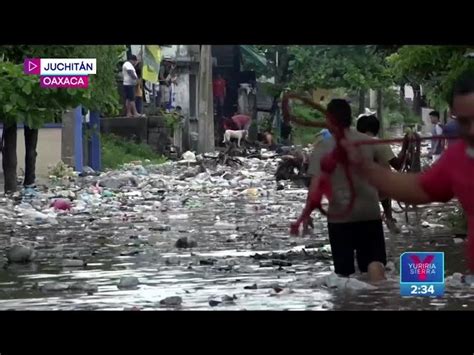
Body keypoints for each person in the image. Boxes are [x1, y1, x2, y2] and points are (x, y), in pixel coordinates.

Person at [341, 73, 474, 273]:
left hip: (355, 217)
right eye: (464, 122)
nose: (471, 131)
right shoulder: (459, 156)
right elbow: (418, 188)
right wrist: (364, 166)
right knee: (416, 277)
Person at [308, 99, 388, 282]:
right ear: (350, 118)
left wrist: (308, 214)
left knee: (344, 273)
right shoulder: (368, 142)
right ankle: (381, 300)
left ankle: (349, 303)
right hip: (369, 211)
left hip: (340, 216)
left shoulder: (323, 147)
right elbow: (386, 177)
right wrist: (381, 198)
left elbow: (315, 185)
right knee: (374, 262)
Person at [356, 114, 407, 234]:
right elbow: (398, 165)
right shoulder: (380, 144)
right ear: (376, 129)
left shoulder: (352, 144)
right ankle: (389, 218)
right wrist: (405, 147)